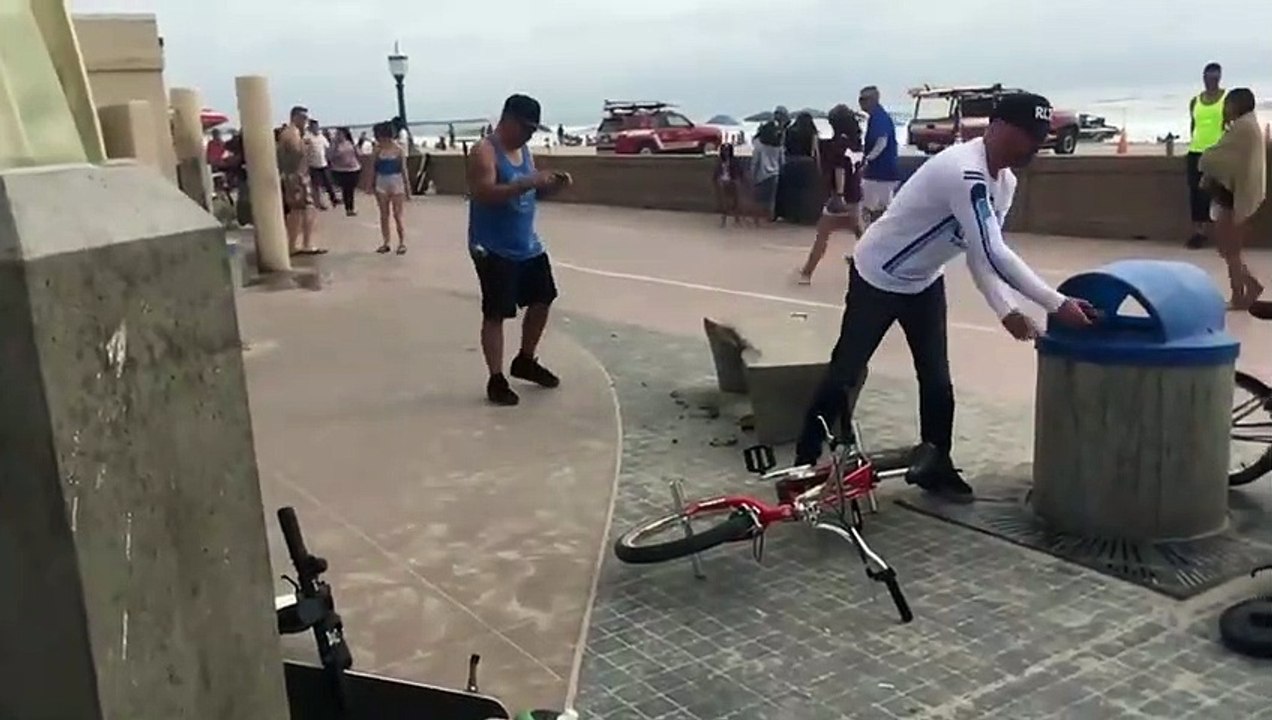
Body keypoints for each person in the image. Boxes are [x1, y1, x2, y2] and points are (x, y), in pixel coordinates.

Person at [791, 93, 1097, 501]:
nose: (1032, 147)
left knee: (937, 379)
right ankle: (804, 460)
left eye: (1040, 137)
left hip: (923, 282)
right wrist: (1056, 303)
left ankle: (936, 464)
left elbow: (979, 251)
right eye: (1026, 135)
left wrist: (1006, 310)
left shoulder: (1004, 182)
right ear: (998, 126)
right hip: (877, 275)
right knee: (845, 369)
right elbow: (994, 252)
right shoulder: (964, 171)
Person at [467, 94, 573, 406]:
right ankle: (496, 379)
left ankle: (525, 359)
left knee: (543, 298)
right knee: (496, 312)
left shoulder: (524, 150)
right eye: (526, 127)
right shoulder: (484, 151)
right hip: (492, 245)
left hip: (526, 243)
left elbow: (529, 196)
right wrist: (526, 183)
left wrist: (549, 186)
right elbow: (483, 193)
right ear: (508, 120)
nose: (529, 135)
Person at [1199, 88, 1265, 309]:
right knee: (1227, 248)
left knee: (1230, 249)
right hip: (1231, 194)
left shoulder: (1243, 128)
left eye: (1228, 104)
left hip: (1232, 197)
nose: (1225, 108)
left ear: (1238, 104)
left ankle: (1239, 295)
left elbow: (1215, 156)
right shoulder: (1245, 125)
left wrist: (1206, 161)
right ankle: (1250, 284)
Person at [797, 104, 864, 284]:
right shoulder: (856, 143)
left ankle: (806, 273)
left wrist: (839, 194)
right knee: (861, 234)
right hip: (855, 194)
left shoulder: (837, 145)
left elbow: (839, 169)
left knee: (822, 235)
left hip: (841, 196)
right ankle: (874, 267)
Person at [1186, 63, 1227, 249]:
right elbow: (1193, 125)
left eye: (1215, 77)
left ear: (1219, 78)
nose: (1211, 80)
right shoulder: (1195, 101)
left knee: (1219, 193)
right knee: (1196, 193)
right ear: (1204, 78)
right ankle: (1198, 233)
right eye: (1208, 77)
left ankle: (1223, 233)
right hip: (1196, 151)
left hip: (1218, 152)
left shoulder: (1227, 99)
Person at [277, 106, 325, 255]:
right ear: (295, 117)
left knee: (298, 211)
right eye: (303, 118)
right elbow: (295, 152)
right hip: (297, 176)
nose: (306, 122)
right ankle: (304, 244)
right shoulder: (292, 133)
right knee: (304, 209)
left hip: (295, 176)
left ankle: (296, 244)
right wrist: (304, 145)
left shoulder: (291, 133)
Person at [859, 86, 901, 227]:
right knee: (881, 206)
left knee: (873, 207)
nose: (860, 103)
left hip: (880, 171)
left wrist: (868, 159)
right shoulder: (876, 117)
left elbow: (882, 141)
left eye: (864, 99)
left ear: (874, 100)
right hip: (881, 171)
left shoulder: (879, 117)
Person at [368, 121, 410, 255]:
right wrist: (371, 184)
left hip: (396, 181)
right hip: (382, 181)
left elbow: (404, 170)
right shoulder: (377, 149)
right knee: (384, 215)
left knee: (398, 215)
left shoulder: (399, 149)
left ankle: (402, 242)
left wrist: (407, 188)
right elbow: (373, 168)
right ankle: (386, 242)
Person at [750, 121, 784, 225]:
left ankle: (757, 219)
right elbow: (782, 161)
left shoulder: (759, 145)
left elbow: (755, 161)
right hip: (775, 174)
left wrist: (752, 175)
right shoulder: (778, 145)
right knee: (771, 199)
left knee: (757, 199)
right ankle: (769, 218)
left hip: (761, 174)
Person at [329, 127, 362, 217]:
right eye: (337, 134)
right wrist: (334, 145)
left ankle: (350, 208)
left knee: (350, 190)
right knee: (345, 189)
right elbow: (330, 156)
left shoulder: (350, 143)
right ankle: (348, 208)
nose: (338, 135)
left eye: (340, 133)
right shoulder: (335, 145)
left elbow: (358, 153)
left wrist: (358, 146)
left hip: (353, 169)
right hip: (341, 170)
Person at [305, 120, 338, 209]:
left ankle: (334, 199)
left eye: (317, 126)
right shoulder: (308, 138)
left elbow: (328, 147)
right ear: (310, 127)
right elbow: (305, 151)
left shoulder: (321, 137)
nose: (316, 128)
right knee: (317, 186)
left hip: (324, 164)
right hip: (313, 165)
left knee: (329, 183)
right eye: (314, 126)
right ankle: (320, 203)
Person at [713, 143, 745, 226]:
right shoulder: (720, 162)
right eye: (724, 151)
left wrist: (737, 180)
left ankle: (736, 218)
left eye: (727, 150)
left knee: (736, 199)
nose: (726, 152)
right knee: (725, 201)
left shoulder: (734, 161)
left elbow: (740, 172)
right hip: (723, 181)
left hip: (732, 180)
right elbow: (716, 174)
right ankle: (724, 218)